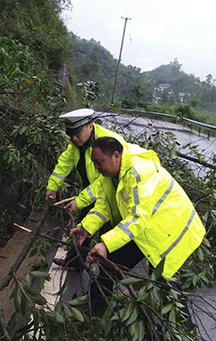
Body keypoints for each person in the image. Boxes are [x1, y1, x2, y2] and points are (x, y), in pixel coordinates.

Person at [71, 136, 206, 324]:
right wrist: (86, 227)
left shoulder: (139, 172)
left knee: (164, 283)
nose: (96, 168)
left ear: (116, 156)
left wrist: (106, 243)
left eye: (99, 162)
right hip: (143, 229)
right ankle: (92, 315)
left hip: (166, 231)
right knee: (110, 265)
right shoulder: (111, 175)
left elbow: (138, 218)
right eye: (94, 163)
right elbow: (104, 205)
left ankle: (185, 331)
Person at [45, 108, 126, 270]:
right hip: (89, 193)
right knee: (83, 228)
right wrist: (52, 187)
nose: (74, 138)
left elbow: (104, 180)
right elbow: (64, 163)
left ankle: (107, 273)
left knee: (106, 233)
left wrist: (80, 201)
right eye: (71, 134)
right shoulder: (77, 144)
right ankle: (75, 262)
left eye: (77, 133)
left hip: (108, 197)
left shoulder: (107, 145)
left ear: (90, 125)